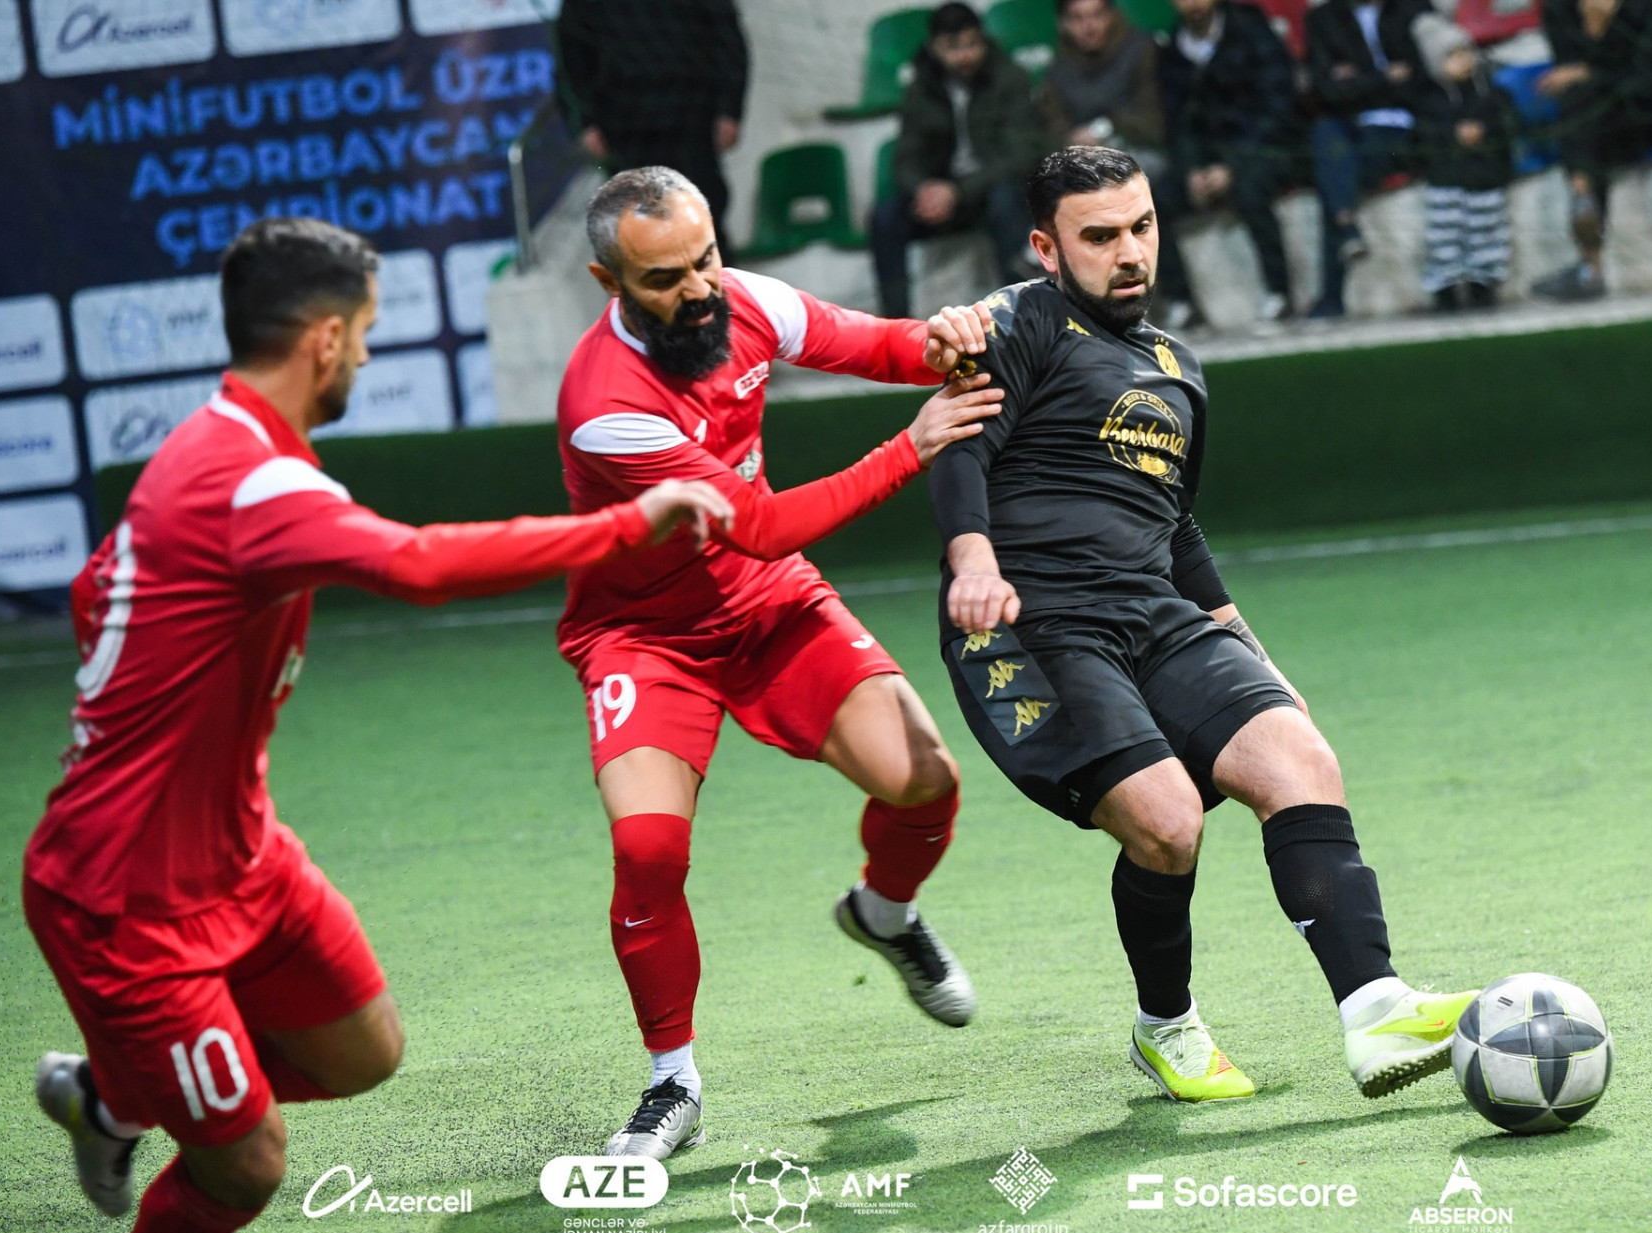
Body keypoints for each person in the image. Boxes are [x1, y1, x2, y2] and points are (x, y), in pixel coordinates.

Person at [26, 218, 734, 1233]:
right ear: (322, 340)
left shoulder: (212, 450)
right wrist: (628, 525)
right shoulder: (249, 480)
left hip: (241, 851)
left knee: (361, 1048)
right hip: (127, 891)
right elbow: (418, 565)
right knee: (246, 1163)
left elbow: (98, 594)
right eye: (361, 333)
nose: (364, 354)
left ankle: (110, 1098)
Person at [928, 147, 1478, 1103]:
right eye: (1100, 235)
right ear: (1047, 248)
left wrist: (1254, 652)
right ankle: (1166, 1024)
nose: (1129, 251)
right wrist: (973, 559)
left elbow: (1177, 526)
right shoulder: (1016, 324)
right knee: (1168, 824)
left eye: (1141, 226)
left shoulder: (1178, 366)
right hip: (1031, 623)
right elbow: (959, 442)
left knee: (1299, 757)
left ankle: (1376, 1008)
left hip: (1154, 612)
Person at [556, 167, 1007, 1159]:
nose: (699, 289)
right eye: (666, 277)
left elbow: (873, 344)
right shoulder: (605, 402)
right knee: (648, 850)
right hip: (645, 634)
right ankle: (672, 1082)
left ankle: (883, 913)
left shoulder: (748, 301)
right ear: (609, 282)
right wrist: (911, 448)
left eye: (707, 259)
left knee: (925, 780)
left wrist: (938, 340)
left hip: (767, 604)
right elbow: (756, 523)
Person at [873, 2, 1043, 319]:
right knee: (885, 218)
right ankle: (894, 325)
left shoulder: (1008, 77)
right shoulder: (920, 90)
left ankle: (1023, 314)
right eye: (953, 47)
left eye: (972, 44)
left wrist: (959, 191)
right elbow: (906, 157)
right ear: (934, 47)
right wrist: (923, 190)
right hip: (941, 195)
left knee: (1006, 201)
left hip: (987, 188)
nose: (965, 55)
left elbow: (1022, 155)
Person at [1041, 0, 1203, 330]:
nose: (1089, 26)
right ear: (1064, 24)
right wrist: (1075, 144)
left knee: (1131, 197)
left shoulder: (1142, 50)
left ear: (1112, 15)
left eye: (1096, 15)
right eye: (1078, 19)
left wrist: (1104, 130)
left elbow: (1154, 123)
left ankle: (1179, 299)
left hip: (1146, 154)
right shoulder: (1058, 69)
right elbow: (1052, 130)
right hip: (1085, 166)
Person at [555, 0, 750, 258]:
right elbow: (572, 57)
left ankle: (713, 282)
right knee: (637, 229)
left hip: (691, 114)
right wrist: (584, 123)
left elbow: (727, 36)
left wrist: (730, 109)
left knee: (702, 215)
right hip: (623, 123)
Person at [1160, 0, 1306, 323]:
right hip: (1209, 160)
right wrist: (1192, 170)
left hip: (1268, 149)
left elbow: (1277, 109)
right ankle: (1182, 303)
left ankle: (1280, 293)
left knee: (1250, 190)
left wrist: (1233, 165)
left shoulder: (1252, 32)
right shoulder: (1175, 50)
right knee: (1150, 201)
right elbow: (1179, 123)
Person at [1304, 0, 1434, 319]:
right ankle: (1346, 226)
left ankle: (1332, 293)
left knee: (1335, 176)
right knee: (1325, 134)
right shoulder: (1323, 19)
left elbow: (1421, 79)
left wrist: (1356, 79)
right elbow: (1326, 90)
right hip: (1349, 123)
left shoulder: (1410, 9)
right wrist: (1385, 77)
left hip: (1400, 124)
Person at [1530, 0, 1652, 303]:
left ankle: (1589, 257)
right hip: (1596, 124)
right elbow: (1566, 69)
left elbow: (1646, 77)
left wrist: (1587, 70)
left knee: (1581, 107)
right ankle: (1584, 195)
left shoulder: (1640, 8)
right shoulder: (1560, 8)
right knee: (1580, 104)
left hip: (1641, 114)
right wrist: (1586, 73)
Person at [1412, 15, 1518, 310]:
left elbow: (1509, 122)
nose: (1463, 60)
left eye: (1464, 52)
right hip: (1445, 180)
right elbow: (1421, 137)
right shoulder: (1428, 100)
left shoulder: (1489, 92)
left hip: (1485, 178)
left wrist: (1483, 130)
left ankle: (1482, 285)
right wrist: (1452, 134)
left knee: (1487, 234)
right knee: (1445, 237)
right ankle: (1445, 289)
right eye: (1452, 55)